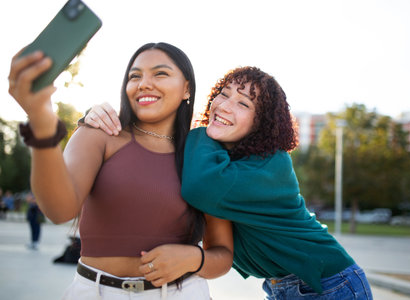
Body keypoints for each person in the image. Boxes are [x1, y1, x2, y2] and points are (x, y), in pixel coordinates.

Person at [84, 66, 373, 299]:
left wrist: (199, 130)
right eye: (223, 94)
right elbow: (156, 149)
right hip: (287, 286)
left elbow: (201, 187)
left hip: (330, 285)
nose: (224, 106)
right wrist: (98, 120)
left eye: (243, 103)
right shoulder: (223, 156)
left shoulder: (272, 163)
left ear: (261, 123)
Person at [8, 42, 233, 300]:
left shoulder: (204, 153)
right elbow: (59, 210)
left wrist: (194, 258)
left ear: (187, 89)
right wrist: (42, 124)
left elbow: (223, 255)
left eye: (160, 73)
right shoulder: (99, 133)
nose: (143, 83)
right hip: (95, 292)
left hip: (182, 293)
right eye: (134, 76)